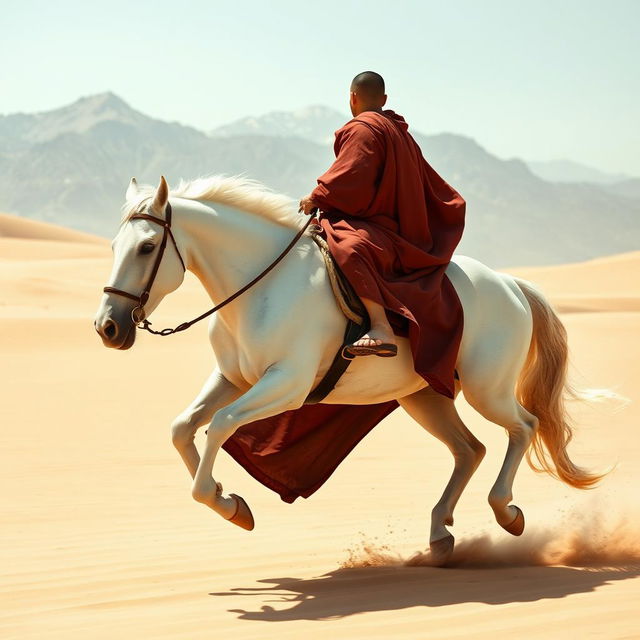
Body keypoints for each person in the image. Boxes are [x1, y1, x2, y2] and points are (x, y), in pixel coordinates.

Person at [298, 71, 466, 399]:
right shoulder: (396, 130)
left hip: (382, 228)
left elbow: (352, 176)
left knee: (350, 247)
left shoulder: (362, 128)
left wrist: (316, 197)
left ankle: (380, 326)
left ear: (352, 98)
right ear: (384, 100)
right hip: (398, 227)